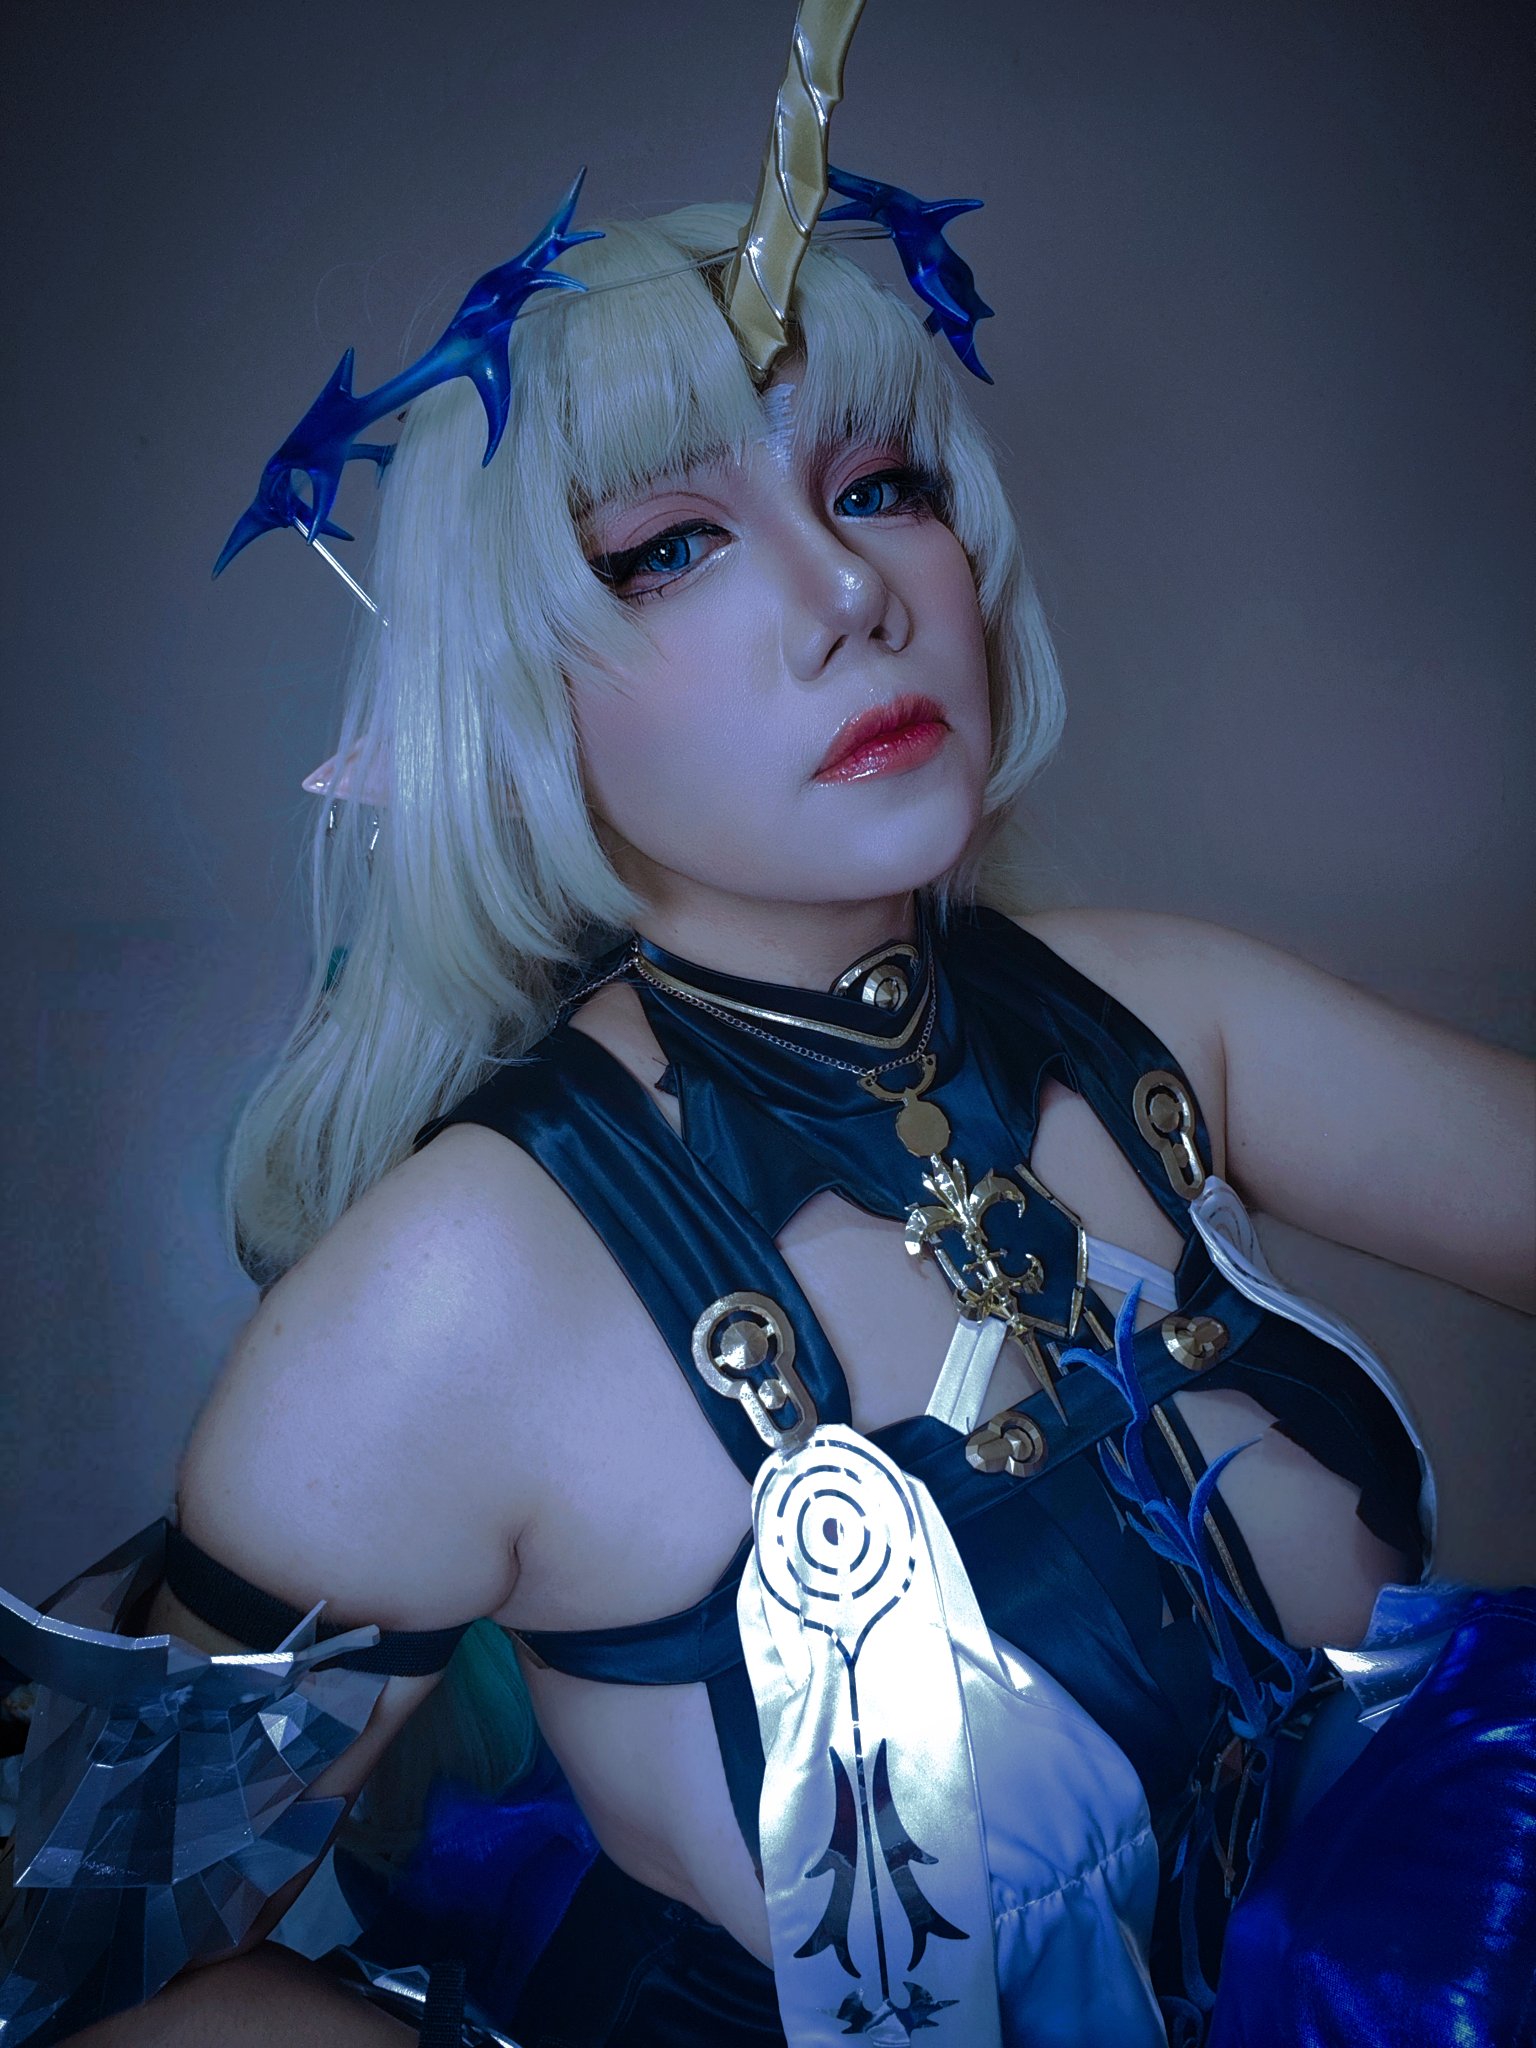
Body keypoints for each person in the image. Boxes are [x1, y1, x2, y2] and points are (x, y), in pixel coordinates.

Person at [3, 76, 1535, 2048]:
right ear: (512, 698)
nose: (849, 597)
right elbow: (69, 1994)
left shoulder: (1150, 1009)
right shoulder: (452, 1293)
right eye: (670, 548)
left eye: (879, 487)